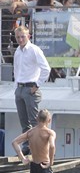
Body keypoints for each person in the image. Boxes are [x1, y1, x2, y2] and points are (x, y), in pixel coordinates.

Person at [14, 26, 51, 155]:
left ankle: (40, 147)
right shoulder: (17, 51)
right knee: (24, 121)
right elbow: (16, 70)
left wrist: (37, 85)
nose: (20, 39)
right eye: (18, 37)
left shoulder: (34, 50)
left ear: (28, 36)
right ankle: (27, 146)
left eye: (22, 36)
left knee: (36, 121)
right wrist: (16, 88)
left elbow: (46, 68)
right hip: (20, 88)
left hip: (30, 87)